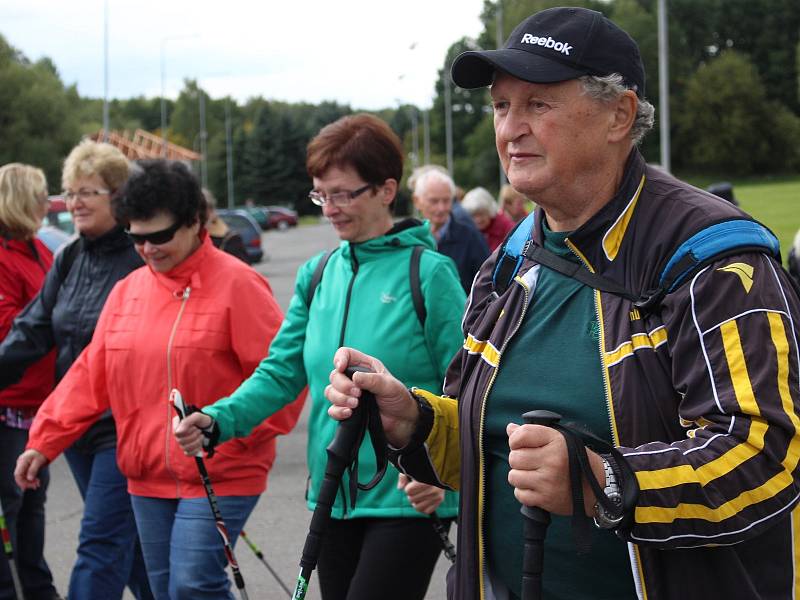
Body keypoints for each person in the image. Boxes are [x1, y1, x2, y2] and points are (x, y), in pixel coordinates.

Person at [326, 6, 800, 600]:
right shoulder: (509, 261)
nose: (510, 129)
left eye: (538, 105)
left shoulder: (713, 260)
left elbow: (769, 457)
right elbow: (489, 452)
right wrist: (413, 421)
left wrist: (602, 480)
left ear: (619, 116)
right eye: (501, 106)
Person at [174, 113, 466, 600]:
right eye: (320, 194)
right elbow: (281, 372)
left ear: (386, 190)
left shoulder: (429, 274)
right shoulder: (318, 273)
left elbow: (467, 386)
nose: (329, 208)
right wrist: (216, 420)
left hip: (407, 497)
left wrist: (441, 475)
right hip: (332, 495)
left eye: (342, 194)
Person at [15, 160, 305, 599]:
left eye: (160, 236)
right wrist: (44, 440)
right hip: (146, 474)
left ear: (193, 222)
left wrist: (231, 433)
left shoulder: (239, 286)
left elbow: (284, 380)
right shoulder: (127, 291)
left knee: (193, 584)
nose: (148, 249)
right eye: (136, 237)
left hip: (222, 469)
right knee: (165, 590)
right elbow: (92, 373)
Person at [0, 141, 152, 600]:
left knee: (101, 544)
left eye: (89, 192)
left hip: (126, 428)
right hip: (77, 429)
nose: (75, 202)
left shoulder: (141, 256)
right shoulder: (68, 257)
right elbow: (31, 329)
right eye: (71, 191)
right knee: (136, 549)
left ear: (120, 197)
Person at [0, 163, 61, 600]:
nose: (47, 204)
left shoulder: (38, 249)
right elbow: (9, 331)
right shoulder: (4, 256)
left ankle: (37, 587)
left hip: (41, 404)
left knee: (32, 500)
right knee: (13, 503)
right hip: (9, 404)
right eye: (40, 196)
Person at [412, 167, 489, 292]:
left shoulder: (470, 237)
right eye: (434, 201)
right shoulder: (410, 239)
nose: (441, 208)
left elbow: (487, 282)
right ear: (417, 201)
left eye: (447, 200)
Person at [461, 187, 515, 251]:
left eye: (481, 214)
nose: (478, 219)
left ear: (489, 211)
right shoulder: (468, 228)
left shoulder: (506, 226)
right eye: (473, 215)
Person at [203, 189, 249, 263]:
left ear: (211, 211)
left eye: (202, 210)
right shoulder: (189, 241)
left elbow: (242, 271)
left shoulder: (231, 240)